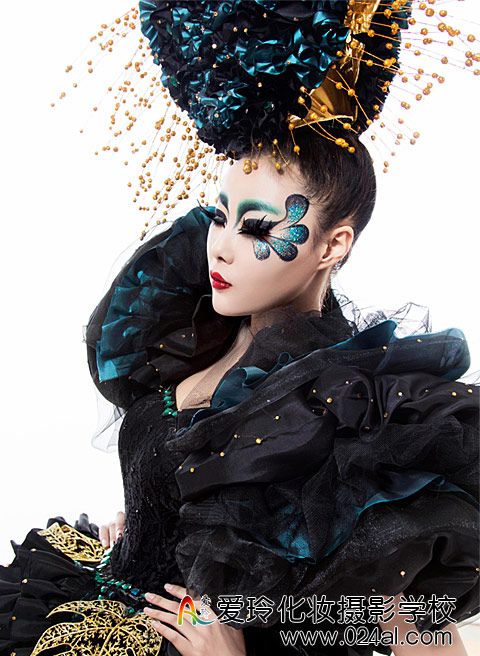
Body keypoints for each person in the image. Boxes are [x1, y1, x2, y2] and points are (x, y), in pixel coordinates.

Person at [0, 2, 479, 656]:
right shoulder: (190, 335)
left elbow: (425, 633)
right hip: (103, 599)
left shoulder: (350, 413)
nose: (220, 245)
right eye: (220, 216)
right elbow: (193, 491)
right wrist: (149, 523)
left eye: (256, 227)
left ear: (333, 245)